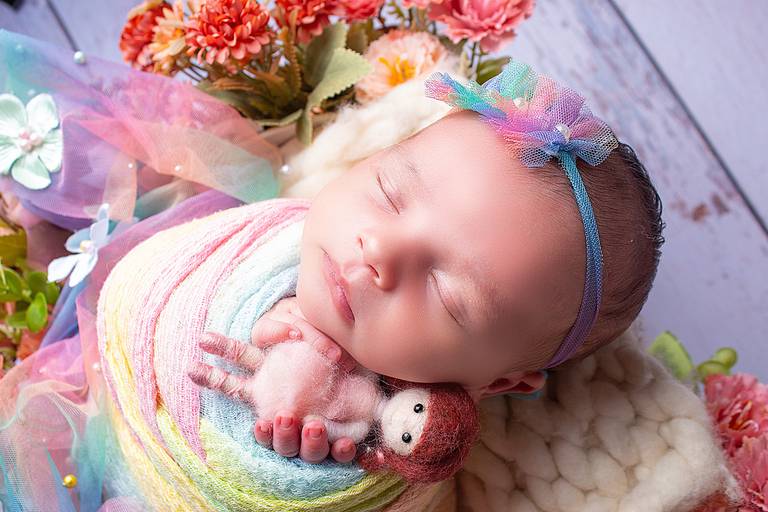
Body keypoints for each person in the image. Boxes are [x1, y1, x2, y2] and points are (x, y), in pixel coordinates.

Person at [239, 64, 666, 465]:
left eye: (444, 294)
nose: (379, 250)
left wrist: (311, 445)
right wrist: (256, 306)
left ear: (493, 384)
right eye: (388, 193)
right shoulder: (271, 218)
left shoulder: (405, 434)